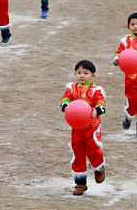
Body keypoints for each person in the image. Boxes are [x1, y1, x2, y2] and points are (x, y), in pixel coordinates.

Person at [60, 59, 106, 196]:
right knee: (78, 152)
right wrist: (65, 105)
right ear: (75, 74)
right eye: (79, 72)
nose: (82, 75)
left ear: (92, 76)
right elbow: (65, 98)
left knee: (93, 149)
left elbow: (101, 103)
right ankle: (80, 183)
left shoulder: (95, 90)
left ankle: (99, 168)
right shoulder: (72, 88)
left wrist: (96, 110)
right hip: (77, 127)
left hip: (92, 127)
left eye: (86, 73)